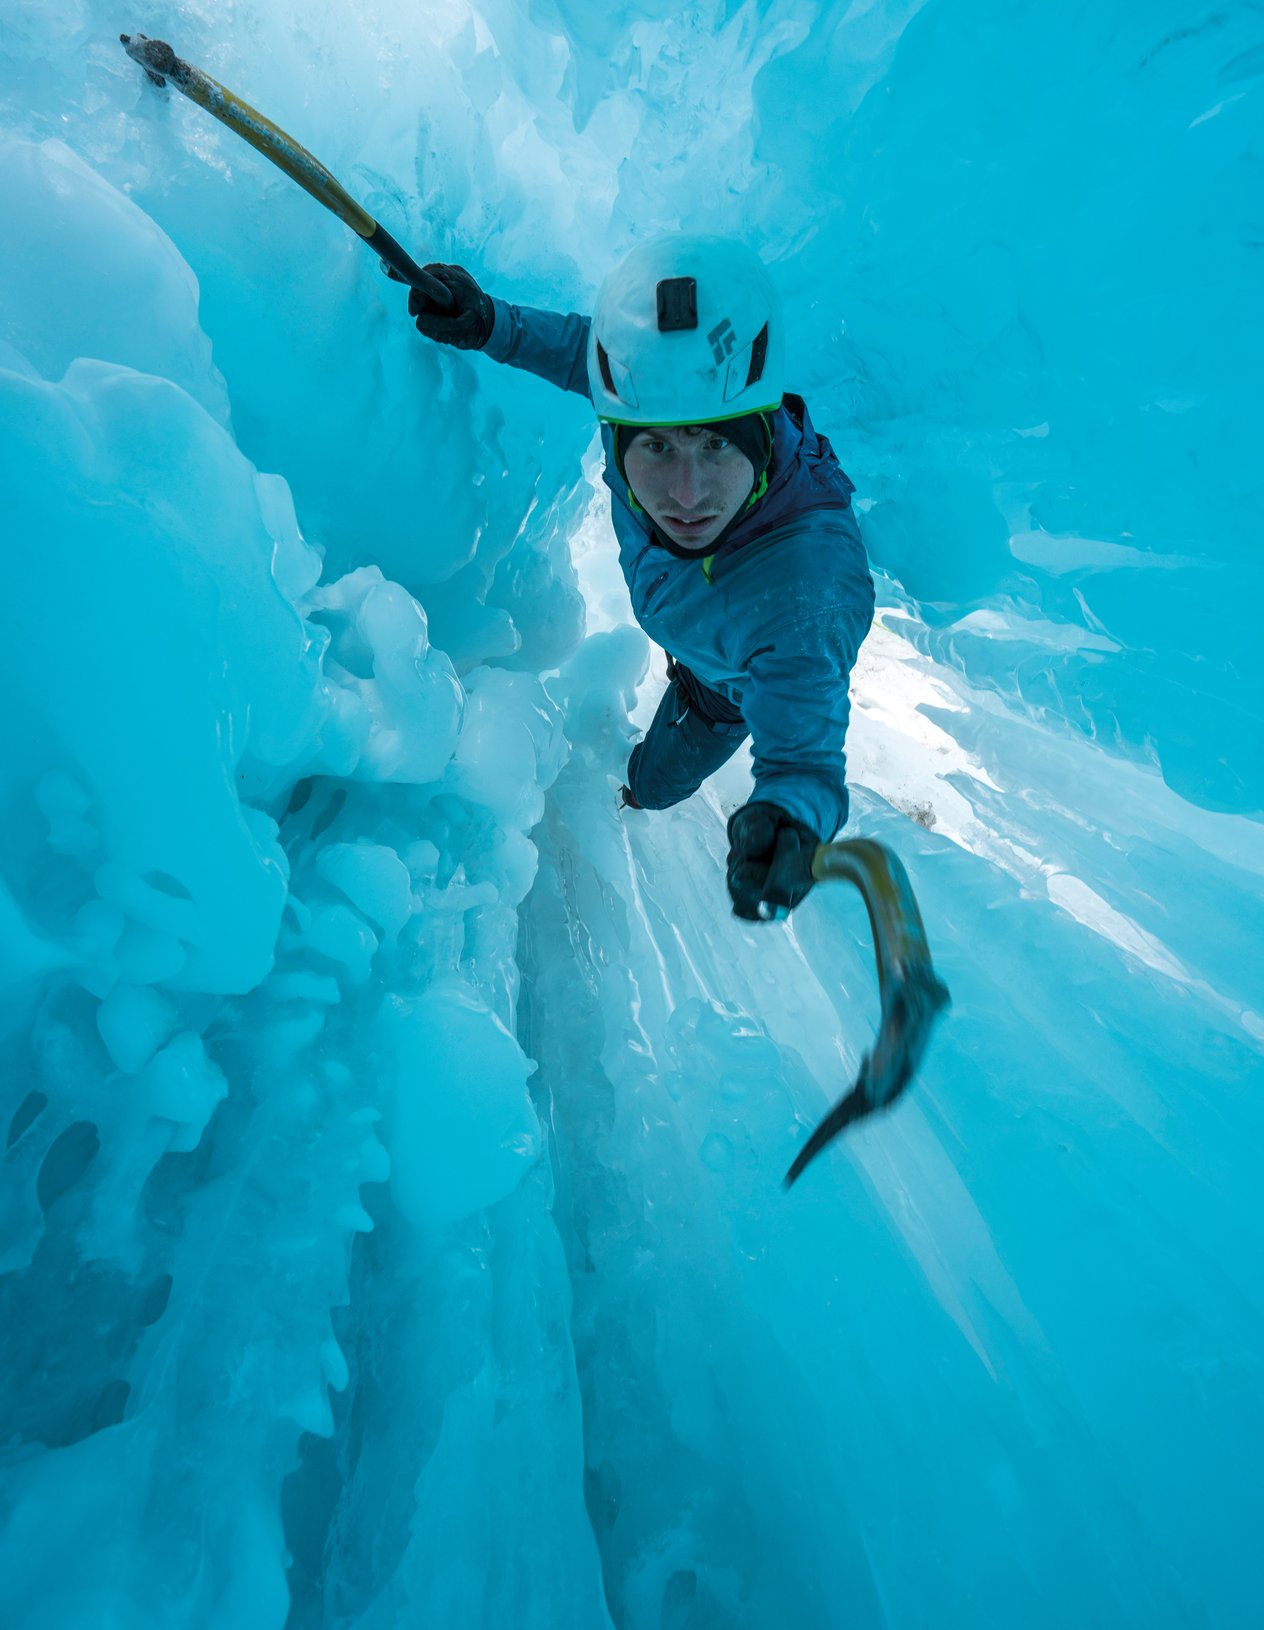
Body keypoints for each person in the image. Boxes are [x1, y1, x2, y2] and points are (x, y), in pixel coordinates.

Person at [402, 235, 874, 922]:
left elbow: (805, 751)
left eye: (716, 444)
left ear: (762, 433)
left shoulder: (805, 596)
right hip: (700, 635)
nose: (686, 493)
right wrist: (491, 323)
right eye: (657, 447)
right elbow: (582, 354)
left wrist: (789, 818)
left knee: (655, 785)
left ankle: (632, 792)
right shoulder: (641, 403)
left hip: (723, 696)